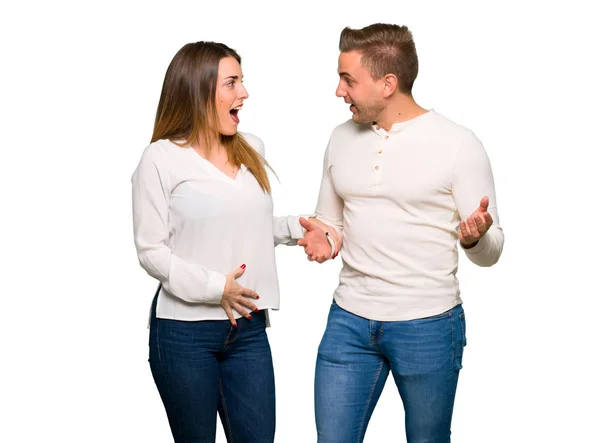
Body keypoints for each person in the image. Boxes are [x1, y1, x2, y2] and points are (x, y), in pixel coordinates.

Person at [302, 24, 504, 443]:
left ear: (388, 84)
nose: (339, 91)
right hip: (349, 322)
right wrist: (325, 238)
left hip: (428, 325)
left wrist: (474, 239)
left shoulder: (458, 144)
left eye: (348, 80)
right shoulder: (340, 139)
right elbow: (331, 223)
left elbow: (491, 251)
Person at [131, 41, 331, 443]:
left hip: (248, 329)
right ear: (198, 90)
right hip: (184, 332)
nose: (244, 93)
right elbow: (151, 250)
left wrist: (297, 228)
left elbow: (246, 225)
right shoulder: (160, 159)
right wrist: (214, 288)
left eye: (242, 81)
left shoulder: (250, 147)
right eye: (232, 83)